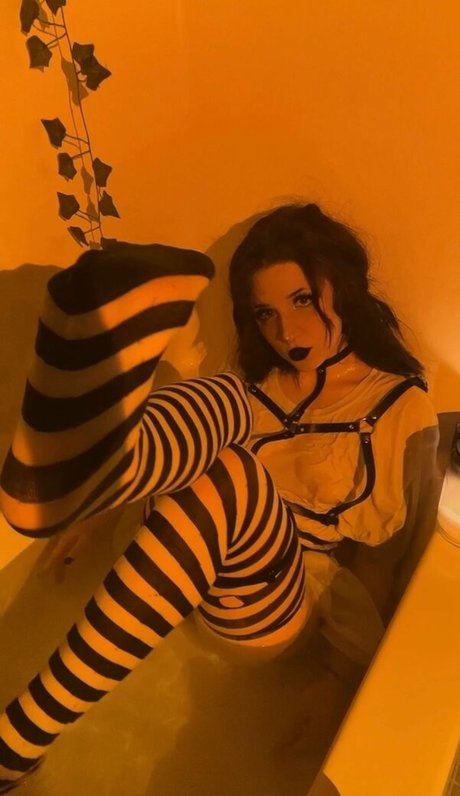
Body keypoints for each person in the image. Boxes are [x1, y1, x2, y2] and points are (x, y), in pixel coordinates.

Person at [0, 205, 439, 791]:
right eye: (266, 314)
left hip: (274, 604)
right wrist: (101, 517)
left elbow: (382, 562)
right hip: (177, 570)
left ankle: (15, 743)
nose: (286, 333)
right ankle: (91, 477)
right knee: (224, 395)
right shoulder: (256, 382)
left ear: (344, 286)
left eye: (302, 300)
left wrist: (336, 681)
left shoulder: (401, 407)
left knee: (232, 466)